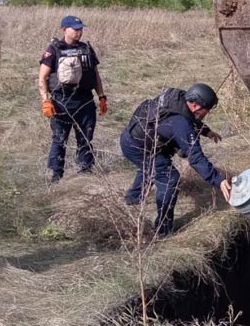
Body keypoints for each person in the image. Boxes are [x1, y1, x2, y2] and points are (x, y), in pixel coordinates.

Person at [121, 84, 231, 238]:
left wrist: (206, 131)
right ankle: (163, 229)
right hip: (138, 146)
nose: (208, 112)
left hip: (135, 139)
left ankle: (133, 198)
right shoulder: (180, 123)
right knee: (168, 178)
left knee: (153, 167)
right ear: (194, 104)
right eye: (207, 109)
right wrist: (217, 179)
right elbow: (195, 157)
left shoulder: (180, 99)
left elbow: (190, 116)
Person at [39, 15, 107, 182]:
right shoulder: (54, 49)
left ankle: (85, 172)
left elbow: (96, 75)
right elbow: (42, 77)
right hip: (62, 101)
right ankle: (55, 174)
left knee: (85, 137)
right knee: (59, 139)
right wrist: (46, 101)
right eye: (75, 29)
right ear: (64, 30)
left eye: (81, 29)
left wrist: (101, 96)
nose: (79, 32)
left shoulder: (87, 49)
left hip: (85, 99)